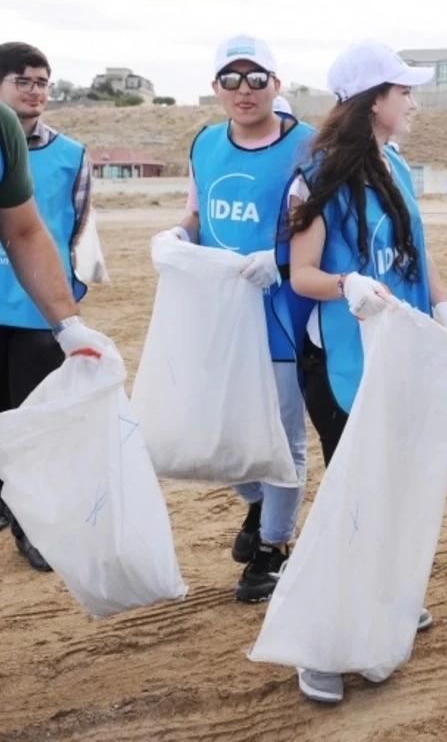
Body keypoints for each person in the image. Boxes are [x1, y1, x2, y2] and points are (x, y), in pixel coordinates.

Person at [283, 40, 447, 704]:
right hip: (343, 361)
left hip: (398, 356)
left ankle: (379, 608)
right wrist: (348, 285)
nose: (414, 102)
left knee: (393, 488)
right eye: (405, 92)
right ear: (374, 99)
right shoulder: (319, 175)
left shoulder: (395, 164)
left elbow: (412, 254)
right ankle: (319, 643)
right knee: (354, 498)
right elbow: (302, 274)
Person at [152, 34, 314, 604]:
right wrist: (179, 235)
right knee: (219, 432)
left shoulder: (308, 147)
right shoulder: (204, 144)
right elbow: (197, 216)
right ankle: (259, 504)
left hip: (281, 317)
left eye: (255, 78)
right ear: (215, 87)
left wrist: (283, 258)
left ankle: (274, 547)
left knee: (282, 438)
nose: (242, 91)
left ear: (275, 82)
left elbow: (331, 228)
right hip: (217, 316)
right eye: (230, 79)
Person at [0, 42, 95, 571]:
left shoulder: (70, 154)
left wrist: (65, 304)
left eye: (43, 82)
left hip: (35, 312)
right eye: (24, 80)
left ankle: (32, 526)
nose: (35, 90)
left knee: (37, 425)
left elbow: (66, 226)